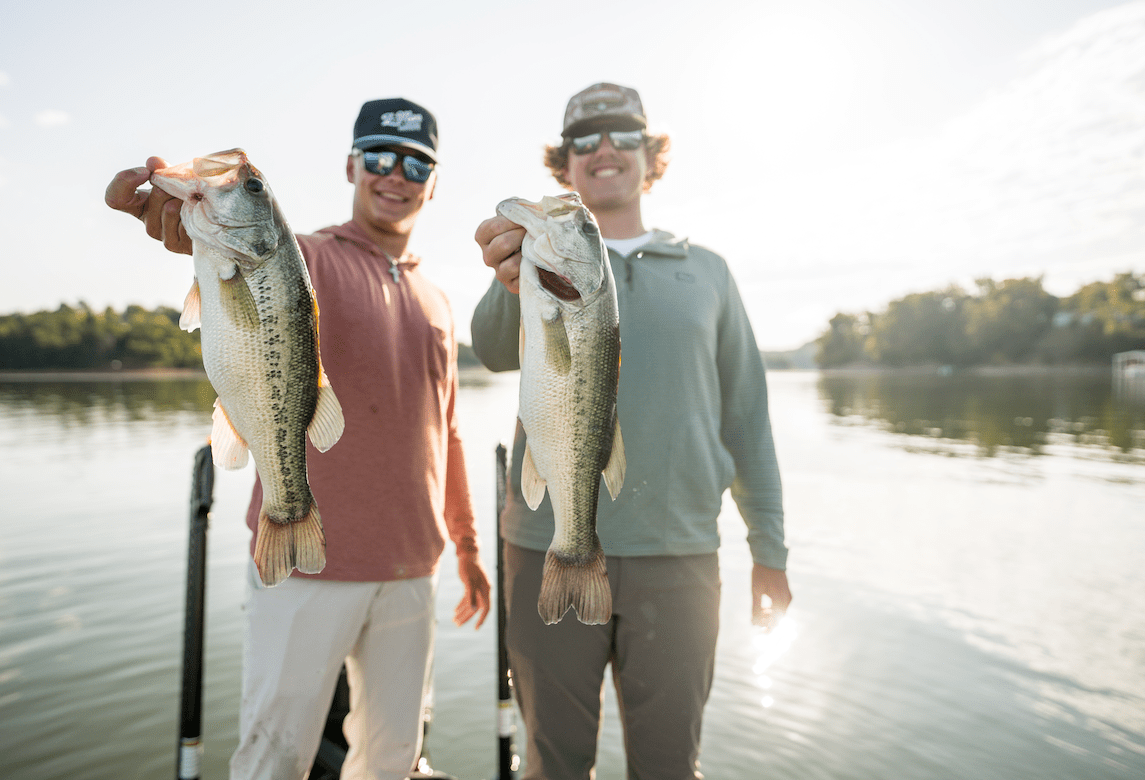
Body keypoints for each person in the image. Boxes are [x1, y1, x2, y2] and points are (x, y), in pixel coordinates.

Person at [105, 98, 492, 780]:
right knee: (274, 756)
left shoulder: (439, 299)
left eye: (414, 163)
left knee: (396, 758)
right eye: (378, 157)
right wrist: (179, 225)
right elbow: (228, 253)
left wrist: (465, 545)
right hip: (309, 562)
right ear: (351, 165)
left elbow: (449, 433)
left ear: (432, 182)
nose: (394, 175)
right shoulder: (306, 255)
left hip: (413, 566)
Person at [470, 82, 792, 780]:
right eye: (585, 140)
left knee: (671, 765)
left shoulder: (707, 271)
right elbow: (493, 353)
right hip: (545, 544)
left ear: (652, 156)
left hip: (678, 555)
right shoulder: (533, 259)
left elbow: (748, 420)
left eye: (623, 135)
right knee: (551, 763)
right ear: (565, 164)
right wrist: (508, 279)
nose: (605, 150)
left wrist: (770, 551)